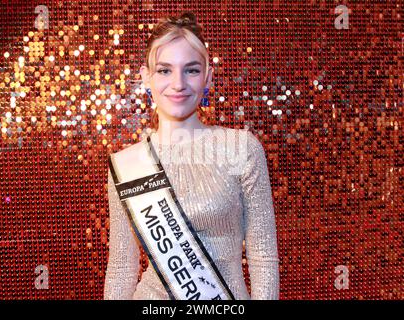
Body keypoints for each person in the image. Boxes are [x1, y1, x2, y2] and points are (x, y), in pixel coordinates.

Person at [104, 11, 280, 300]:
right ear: (146, 78)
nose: (178, 83)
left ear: (207, 78)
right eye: (164, 70)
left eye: (191, 70)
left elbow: (263, 258)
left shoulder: (242, 149)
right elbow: (122, 267)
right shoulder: (127, 166)